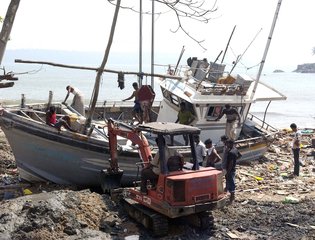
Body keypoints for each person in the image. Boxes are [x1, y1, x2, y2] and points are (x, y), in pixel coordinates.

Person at [222, 139, 239, 203]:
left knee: (231, 182)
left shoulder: (231, 152)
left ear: (231, 144)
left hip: (230, 170)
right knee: (229, 181)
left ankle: (232, 197)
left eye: (228, 144)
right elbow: (239, 155)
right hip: (233, 169)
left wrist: (228, 172)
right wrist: (235, 161)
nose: (227, 145)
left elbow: (231, 163)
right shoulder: (235, 150)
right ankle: (229, 193)